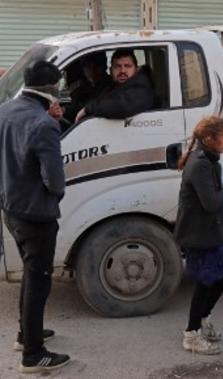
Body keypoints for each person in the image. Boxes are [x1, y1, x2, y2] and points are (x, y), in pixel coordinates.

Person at [0, 60, 71, 373]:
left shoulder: (5, 110)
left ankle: (25, 333)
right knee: (39, 280)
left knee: (31, 274)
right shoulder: (44, 125)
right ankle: (33, 354)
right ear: (53, 88)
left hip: (11, 208)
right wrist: (55, 195)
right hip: (36, 215)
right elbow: (54, 180)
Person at [173, 115, 223, 355]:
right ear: (209, 139)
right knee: (205, 282)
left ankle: (204, 317)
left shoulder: (208, 161)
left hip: (209, 232)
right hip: (198, 235)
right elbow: (211, 202)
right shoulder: (200, 164)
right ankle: (191, 334)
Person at [75, 49, 155, 122]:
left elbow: (123, 106)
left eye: (127, 66)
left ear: (136, 69)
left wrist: (88, 109)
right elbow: (95, 101)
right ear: (111, 70)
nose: (122, 71)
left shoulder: (142, 88)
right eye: (117, 66)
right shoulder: (113, 86)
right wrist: (65, 111)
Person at [64, 52, 112, 123]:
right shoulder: (81, 86)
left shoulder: (110, 85)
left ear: (103, 67)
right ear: (83, 68)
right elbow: (74, 106)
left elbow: (94, 105)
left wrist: (65, 110)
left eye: (97, 66)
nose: (92, 71)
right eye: (88, 66)